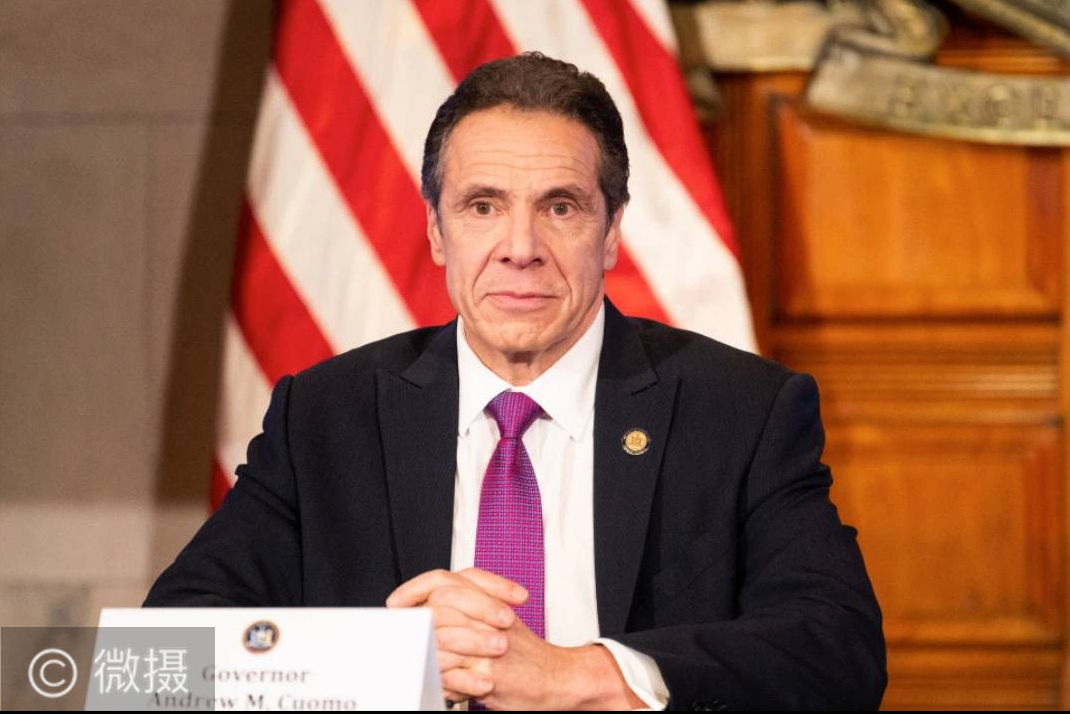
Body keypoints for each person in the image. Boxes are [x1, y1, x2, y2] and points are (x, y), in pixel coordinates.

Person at [145, 52, 886, 710]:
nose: (520, 248)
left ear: (612, 230)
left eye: (560, 207)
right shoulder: (327, 417)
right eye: (483, 206)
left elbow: (839, 651)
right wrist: (391, 661)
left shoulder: (739, 412)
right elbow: (161, 663)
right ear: (436, 230)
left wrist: (581, 677)